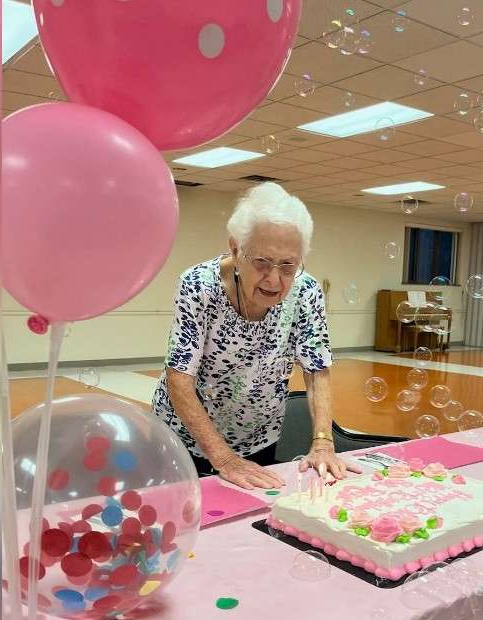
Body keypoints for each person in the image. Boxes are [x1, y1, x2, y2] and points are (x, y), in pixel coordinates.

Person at [152, 182, 360, 489]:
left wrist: (323, 443)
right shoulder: (199, 285)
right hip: (184, 437)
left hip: (259, 436)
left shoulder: (306, 291)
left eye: (288, 266)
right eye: (262, 263)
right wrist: (224, 459)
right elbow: (179, 378)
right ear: (236, 249)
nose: (274, 279)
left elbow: (317, 371)